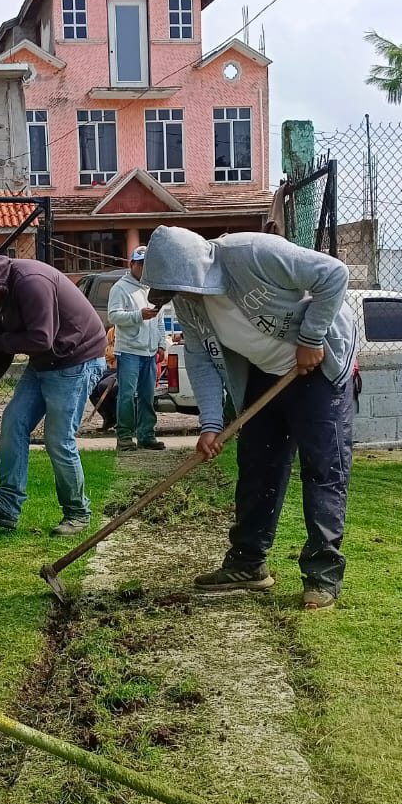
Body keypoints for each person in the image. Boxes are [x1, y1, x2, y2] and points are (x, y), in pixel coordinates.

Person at [141, 225, 357, 611]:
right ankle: (247, 563)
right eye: (173, 291)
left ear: (198, 269)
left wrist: (310, 339)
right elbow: (201, 358)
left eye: (183, 287)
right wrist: (210, 424)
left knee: (323, 467)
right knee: (258, 464)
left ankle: (322, 574)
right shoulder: (188, 301)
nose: (183, 298)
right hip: (263, 372)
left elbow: (334, 274)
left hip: (316, 368)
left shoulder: (253, 252)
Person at [0, 238, 107, 535]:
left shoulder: (31, 281)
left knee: (58, 439)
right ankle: (8, 505)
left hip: (76, 360)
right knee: (13, 422)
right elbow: (3, 353)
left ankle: (77, 513)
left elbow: (40, 338)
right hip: (45, 362)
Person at [106, 245, 167, 452]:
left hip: (149, 351)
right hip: (130, 350)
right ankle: (124, 437)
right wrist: (138, 315)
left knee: (147, 396)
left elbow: (159, 318)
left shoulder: (153, 287)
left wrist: (161, 343)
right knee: (127, 395)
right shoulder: (120, 288)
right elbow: (113, 316)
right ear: (131, 264)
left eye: (146, 264)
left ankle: (146, 435)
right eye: (140, 263)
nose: (143, 267)